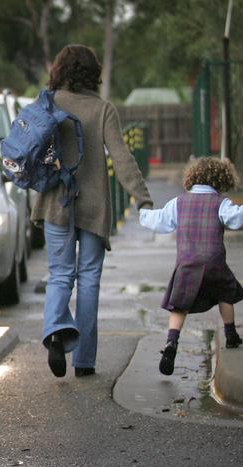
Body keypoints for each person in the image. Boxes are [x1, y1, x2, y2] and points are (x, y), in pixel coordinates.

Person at [32, 44, 153, 378]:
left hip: (56, 202)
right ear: (92, 74)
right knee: (89, 281)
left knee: (59, 274)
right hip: (94, 206)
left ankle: (55, 332)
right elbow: (122, 158)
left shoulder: (47, 103)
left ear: (59, 70)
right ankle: (84, 360)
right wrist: (142, 198)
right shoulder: (102, 110)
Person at [139, 156, 243, 375]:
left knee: (179, 306)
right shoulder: (221, 203)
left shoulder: (178, 202)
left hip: (187, 263)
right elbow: (238, 217)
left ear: (192, 177)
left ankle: (171, 343)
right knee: (225, 295)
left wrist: (143, 214)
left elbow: (160, 220)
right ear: (221, 180)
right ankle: (230, 334)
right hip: (214, 262)